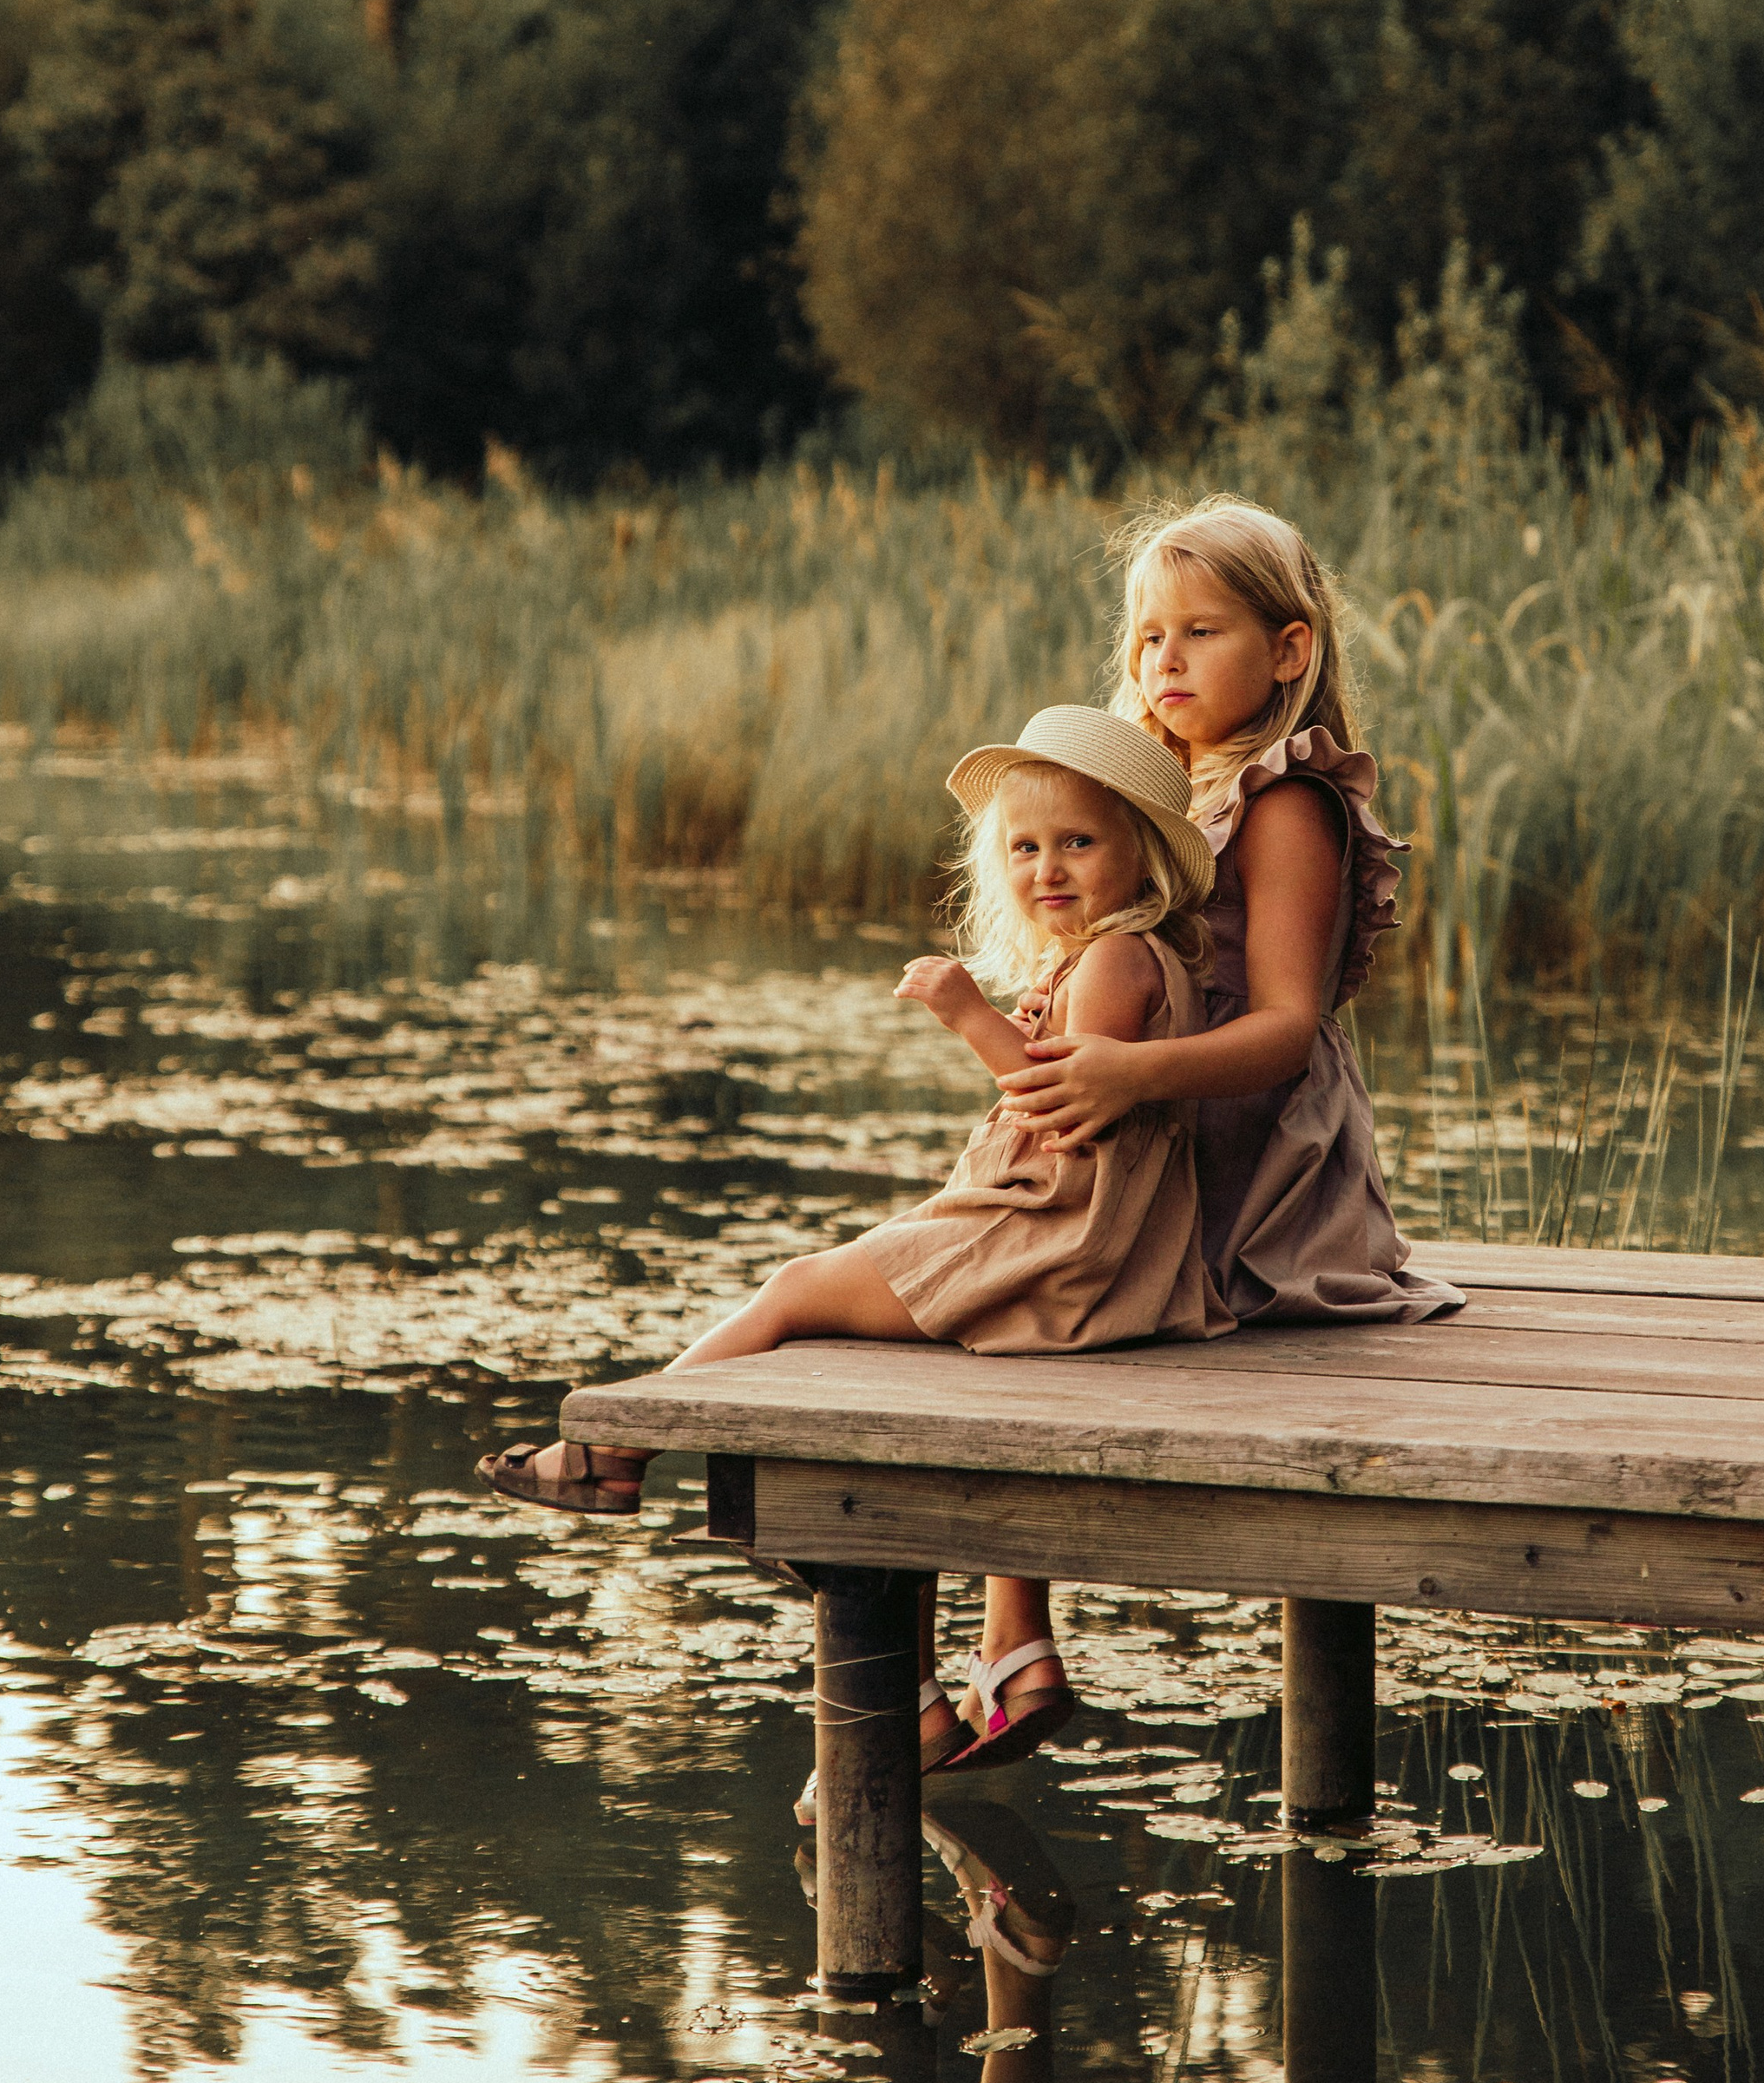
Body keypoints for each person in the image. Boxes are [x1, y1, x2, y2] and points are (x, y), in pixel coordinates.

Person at [478, 704, 1230, 1778]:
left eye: (1079, 843)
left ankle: (620, 1447)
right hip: (1058, 1240)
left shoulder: (1115, 963)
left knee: (791, 1291)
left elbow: (1067, 1105)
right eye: (1025, 847)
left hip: (1051, 1248)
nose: (1048, 868)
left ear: (1141, 855)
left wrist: (967, 1012)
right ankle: (960, 1680)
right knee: (838, 1357)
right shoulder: (1108, 960)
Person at [997, 495, 1465, 1326]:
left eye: (1200, 633)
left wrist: (1130, 1071)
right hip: (1159, 1132)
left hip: (1250, 1156)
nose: (1166, 660)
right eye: (1150, 638)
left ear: (1289, 651)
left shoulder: (1282, 802)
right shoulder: (1163, 798)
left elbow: (1287, 1027)